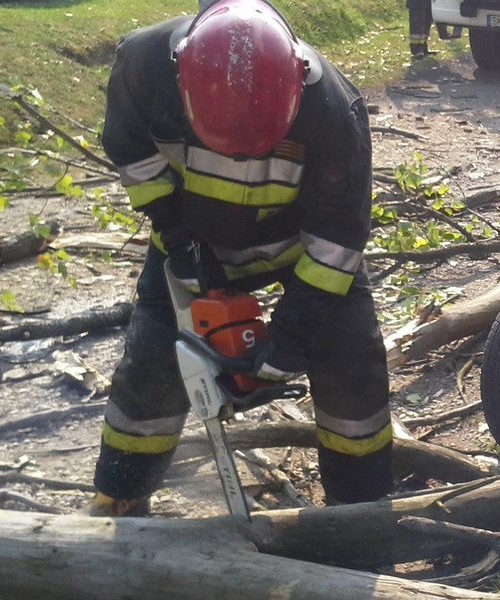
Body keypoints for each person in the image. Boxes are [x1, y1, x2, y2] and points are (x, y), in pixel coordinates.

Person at [83, 0, 393, 516]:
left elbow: (336, 241)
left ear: (297, 82)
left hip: (303, 253)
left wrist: (287, 345)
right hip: (191, 240)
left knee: (352, 373)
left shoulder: (333, 110)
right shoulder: (143, 65)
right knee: (152, 372)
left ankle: (359, 515)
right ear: (181, 75)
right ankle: (119, 498)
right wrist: (178, 239)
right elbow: (130, 150)